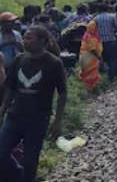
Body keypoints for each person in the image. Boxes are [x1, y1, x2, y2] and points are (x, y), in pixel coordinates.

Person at [0, 26, 68, 182]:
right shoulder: (19, 59)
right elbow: (11, 87)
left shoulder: (54, 63)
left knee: (30, 161)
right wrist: (3, 108)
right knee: (1, 153)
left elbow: (62, 93)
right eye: (24, 38)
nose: (25, 41)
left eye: (29, 38)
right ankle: (18, 175)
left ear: (42, 41)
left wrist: (57, 121)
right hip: (14, 117)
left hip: (38, 120)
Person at [78, 20, 103, 92]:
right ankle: (92, 90)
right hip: (90, 58)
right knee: (91, 75)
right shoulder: (91, 37)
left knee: (87, 73)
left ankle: (89, 90)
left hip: (85, 57)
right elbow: (92, 50)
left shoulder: (86, 34)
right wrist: (99, 57)